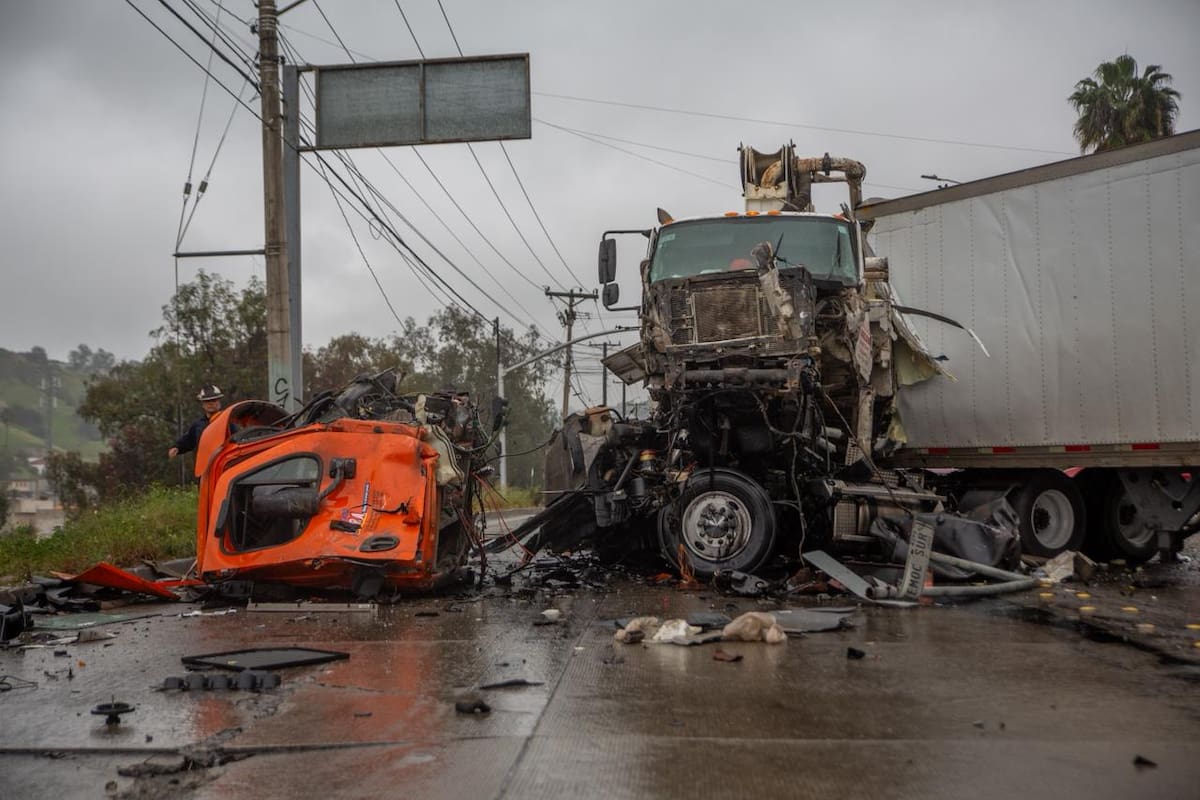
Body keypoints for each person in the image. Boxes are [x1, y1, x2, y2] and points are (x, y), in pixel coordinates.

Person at [168, 384, 224, 459]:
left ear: (219, 402)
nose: (210, 403)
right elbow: (188, 440)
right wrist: (177, 448)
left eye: (213, 400)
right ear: (203, 404)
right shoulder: (198, 425)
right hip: (204, 467)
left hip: (224, 465)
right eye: (207, 401)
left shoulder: (228, 420)